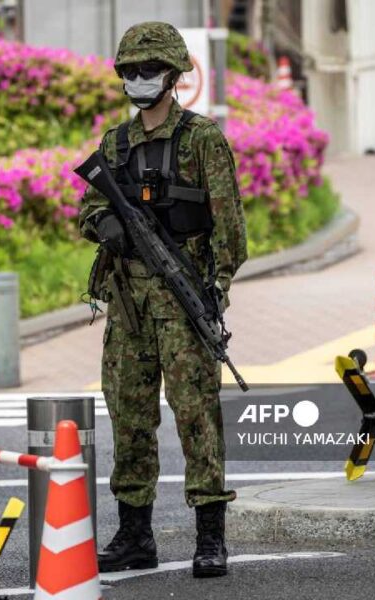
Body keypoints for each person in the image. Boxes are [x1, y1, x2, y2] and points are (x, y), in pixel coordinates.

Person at [78, 22, 248, 578]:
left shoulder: (202, 139)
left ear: (174, 76)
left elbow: (231, 230)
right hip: (128, 304)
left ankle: (210, 536)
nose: (138, 79)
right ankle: (134, 534)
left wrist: (216, 290)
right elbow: (86, 211)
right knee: (128, 416)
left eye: (149, 70)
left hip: (183, 302)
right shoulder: (114, 144)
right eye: (130, 70)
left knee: (197, 417)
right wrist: (108, 226)